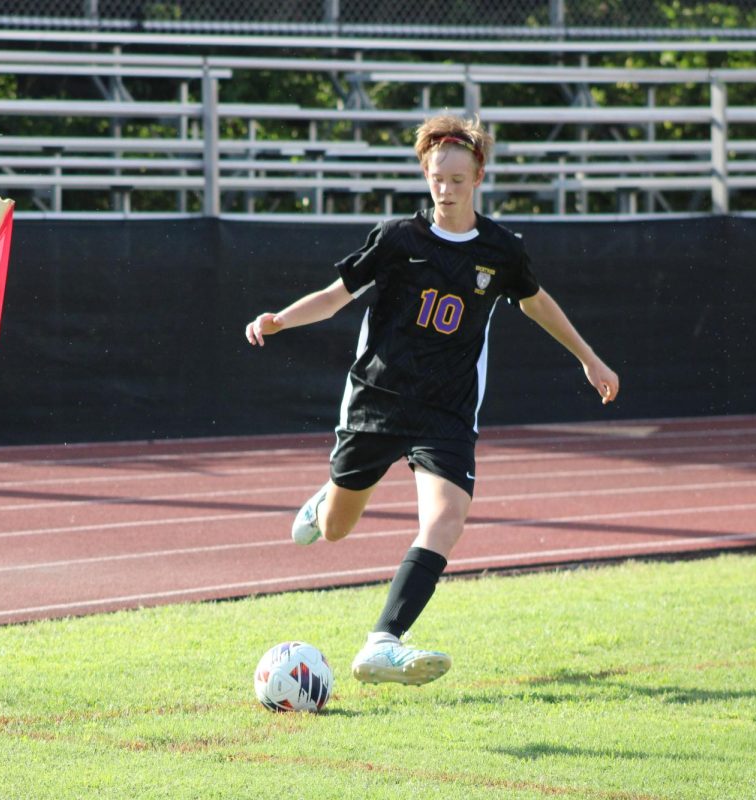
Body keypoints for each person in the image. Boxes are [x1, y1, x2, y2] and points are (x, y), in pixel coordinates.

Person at [244, 113, 619, 687]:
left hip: (446, 409)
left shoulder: (500, 250)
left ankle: (383, 641)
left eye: (458, 180)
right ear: (425, 175)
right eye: (436, 178)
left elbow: (537, 302)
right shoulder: (399, 238)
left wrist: (588, 358)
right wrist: (280, 320)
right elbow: (335, 297)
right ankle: (324, 505)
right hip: (378, 399)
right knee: (339, 528)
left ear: (479, 177)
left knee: (449, 517)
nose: (445, 190)